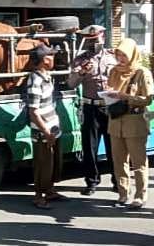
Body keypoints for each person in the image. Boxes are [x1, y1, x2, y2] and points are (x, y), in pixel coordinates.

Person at [67, 25, 117, 196]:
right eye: (89, 41)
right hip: (91, 106)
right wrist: (81, 72)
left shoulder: (113, 56)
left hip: (110, 106)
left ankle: (118, 182)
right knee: (90, 147)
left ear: (103, 37)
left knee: (114, 147)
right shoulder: (80, 59)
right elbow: (71, 83)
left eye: (95, 40)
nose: (93, 44)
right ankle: (91, 181)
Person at [106, 38, 154, 209]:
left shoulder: (142, 72)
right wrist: (107, 95)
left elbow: (148, 99)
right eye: (118, 54)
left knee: (138, 161)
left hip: (134, 122)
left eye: (124, 55)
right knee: (118, 160)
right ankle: (122, 193)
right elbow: (109, 90)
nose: (120, 58)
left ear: (132, 54)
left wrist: (126, 97)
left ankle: (140, 196)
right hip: (115, 121)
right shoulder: (113, 71)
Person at [26, 43, 66, 209]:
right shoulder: (35, 80)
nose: (53, 57)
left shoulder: (47, 76)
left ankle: (49, 191)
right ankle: (38, 196)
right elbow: (33, 112)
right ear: (43, 60)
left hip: (52, 128)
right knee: (43, 164)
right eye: (50, 55)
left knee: (52, 163)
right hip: (44, 131)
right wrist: (46, 132)